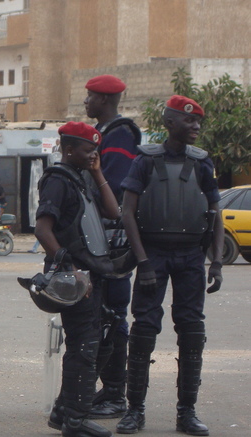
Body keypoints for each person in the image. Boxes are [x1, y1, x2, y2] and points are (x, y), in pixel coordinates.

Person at [116, 96, 222, 436]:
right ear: (169, 122)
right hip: (154, 254)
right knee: (144, 330)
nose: (195, 127)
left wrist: (217, 262)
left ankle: (186, 412)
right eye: (188, 121)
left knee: (192, 332)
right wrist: (143, 261)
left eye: (198, 123)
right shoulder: (145, 161)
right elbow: (128, 213)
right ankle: (134, 410)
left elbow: (215, 215)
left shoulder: (202, 163)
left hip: (191, 255)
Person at [36, 122, 119, 437]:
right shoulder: (57, 181)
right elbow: (43, 229)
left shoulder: (82, 177)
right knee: (83, 346)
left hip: (91, 275)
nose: (93, 155)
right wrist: (70, 272)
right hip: (74, 277)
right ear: (69, 149)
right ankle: (75, 421)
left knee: (98, 340)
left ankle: (64, 412)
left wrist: (98, 173)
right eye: (88, 150)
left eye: (95, 150)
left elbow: (113, 211)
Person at [83, 74, 142, 419]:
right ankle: (109, 388)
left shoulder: (119, 135)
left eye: (90, 97)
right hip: (101, 239)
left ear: (103, 101)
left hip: (111, 242)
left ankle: (116, 393)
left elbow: (114, 189)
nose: (86, 102)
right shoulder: (107, 134)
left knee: (113, 314)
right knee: (101, 314)